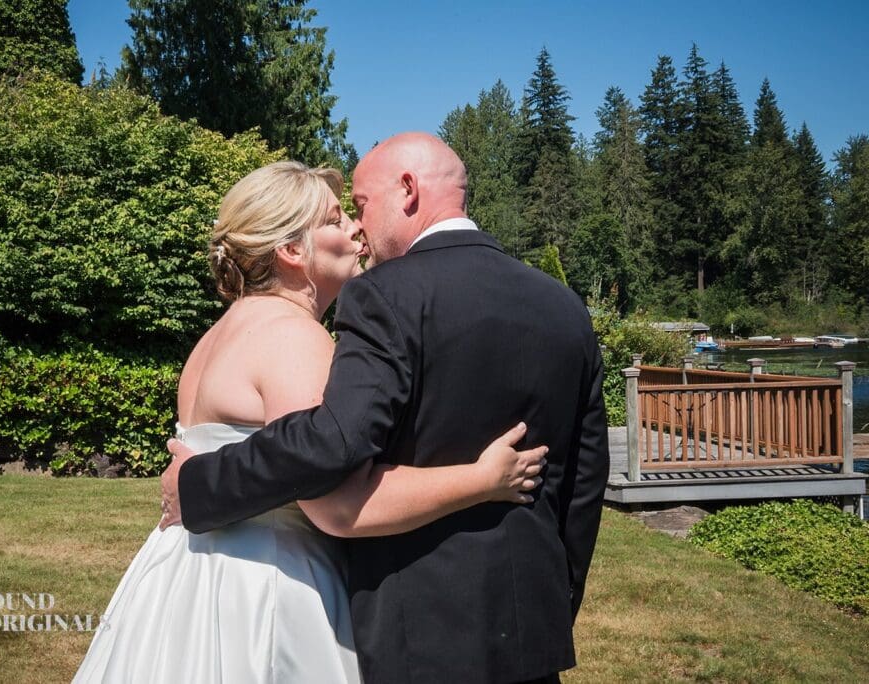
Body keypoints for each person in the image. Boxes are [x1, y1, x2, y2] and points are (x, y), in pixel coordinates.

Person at [73, 161, 547, 683]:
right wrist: (483, 479)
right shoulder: (292, 337)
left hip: (185, 576)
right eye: (334, 219)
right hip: (265, 591)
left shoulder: (217, 336)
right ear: (292, 251)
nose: (356, 229)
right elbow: (338, 505)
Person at [163, 133, 611, 683]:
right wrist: (553, 601)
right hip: (530, 636)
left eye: (360, 205)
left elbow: (330, 444)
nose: (358, 228)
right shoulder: (564, 307)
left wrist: (198, 484)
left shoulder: (384, 296)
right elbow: (585, 480)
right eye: (343, 215)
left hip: (412, 635)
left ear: (407, 189)